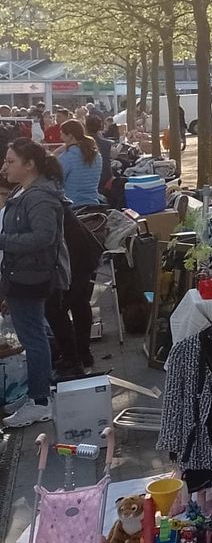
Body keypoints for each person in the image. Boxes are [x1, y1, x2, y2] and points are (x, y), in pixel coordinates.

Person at [0, 140, 68, 427]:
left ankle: (39, 401)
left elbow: (43, 237)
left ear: (30, 165)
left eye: (11, 161)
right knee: (35, 336)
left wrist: (4, 241)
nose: (4, 167)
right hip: (22, 275)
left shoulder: (38, 196)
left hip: (30, 277)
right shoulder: (26, 191)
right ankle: (40, 395)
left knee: (34, 339)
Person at [47, 203, 104, 379]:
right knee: (77, 302)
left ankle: (73, 359)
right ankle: (80, 354)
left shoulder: (35, 193)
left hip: (75, 254)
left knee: (59, 308)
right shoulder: (38, 190)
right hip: (78, 250)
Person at [58, 119, 104, 206]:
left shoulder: (67, 157)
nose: (60, 137)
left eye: (62, 134)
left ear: (70, 136)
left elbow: (56, 180)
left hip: (72, 205)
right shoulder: (96, 155)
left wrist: (55, 153)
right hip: (93, 203)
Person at [84, 113, 113, 195]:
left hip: (86, 180)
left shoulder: (79, 145)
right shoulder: (108, 144)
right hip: (105, 179)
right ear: (100, 127)